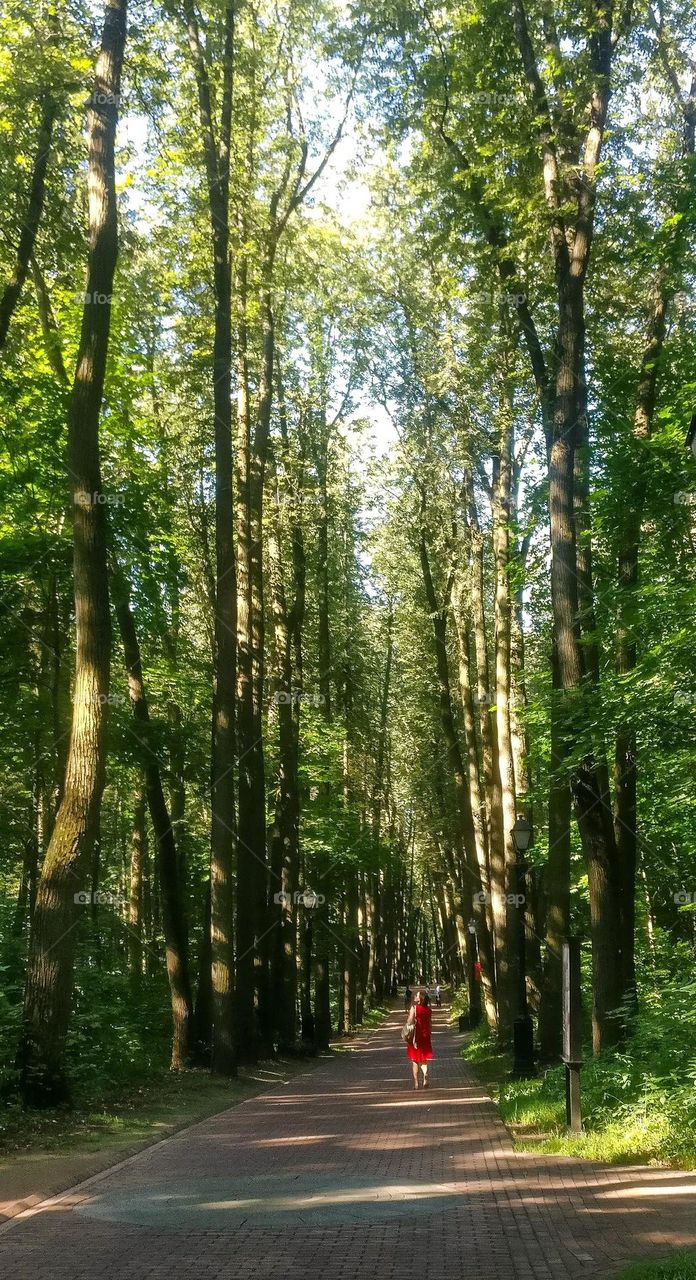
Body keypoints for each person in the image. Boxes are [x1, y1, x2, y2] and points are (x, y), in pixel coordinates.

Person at [405, 989, 434, 1089]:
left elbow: (409, 1022)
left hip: (415, 1037)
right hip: (425, 1036)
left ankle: (416, 1084)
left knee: (415, 1060)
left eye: (416, 995)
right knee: (424, 1059)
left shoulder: (414, 1008)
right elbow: (430, 1024)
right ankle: (425, 1074)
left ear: (420, 998)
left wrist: (408, 1018)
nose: (415, 997)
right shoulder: (428, 1010)